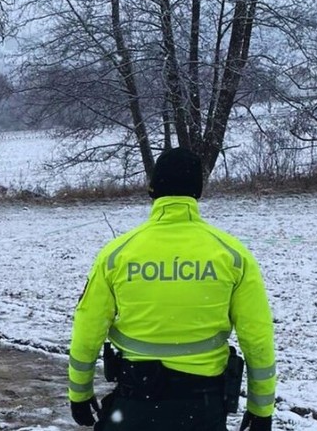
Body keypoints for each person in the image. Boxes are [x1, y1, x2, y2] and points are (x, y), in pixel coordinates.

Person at [67, 147, 276, 430]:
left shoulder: (116, 255)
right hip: (202, 408)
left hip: (134, 404)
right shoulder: (232, 255)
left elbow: (87, 328)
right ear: (197, 192)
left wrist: (79, 393)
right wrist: (261, 408)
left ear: (153, 190)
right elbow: (257, 337)